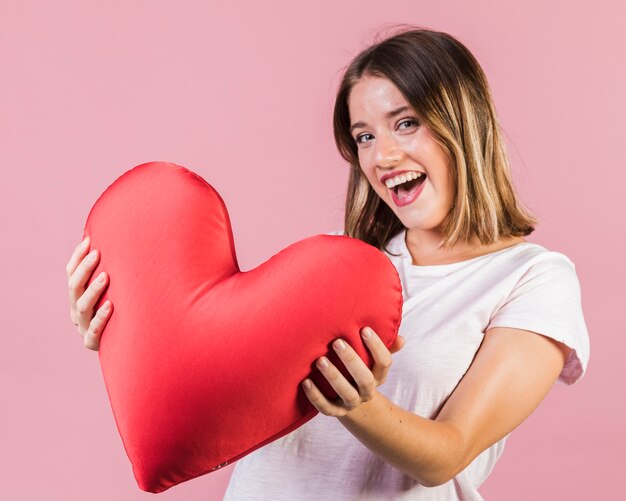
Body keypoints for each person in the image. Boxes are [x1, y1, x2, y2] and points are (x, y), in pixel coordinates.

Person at [66, 26, 590, 500]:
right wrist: (131, 329)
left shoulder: (533, 278)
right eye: (364, 136)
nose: (381, 157)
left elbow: (448, 455)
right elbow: (217, 373)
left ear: (463, 123)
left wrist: (358, 404)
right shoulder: (342, 267)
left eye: (405, 123)